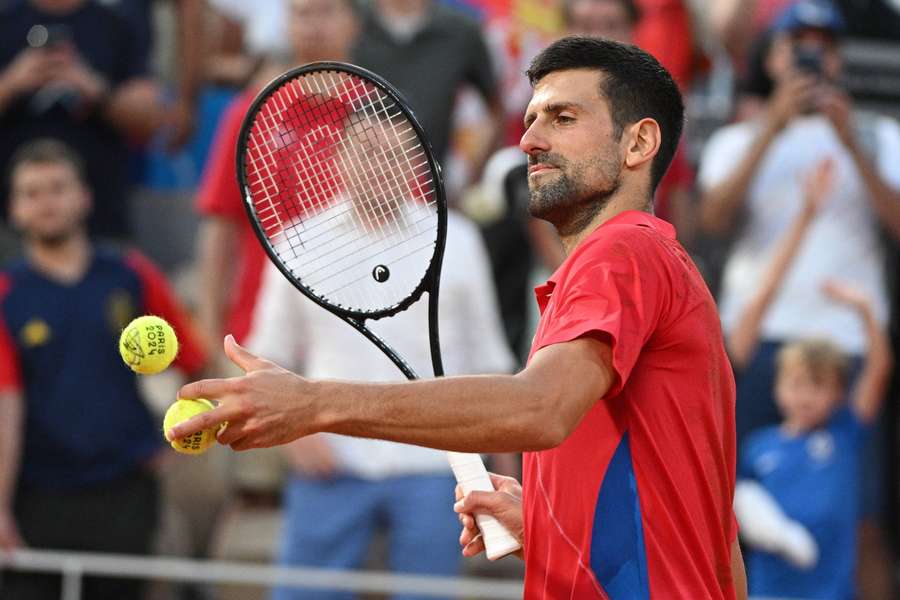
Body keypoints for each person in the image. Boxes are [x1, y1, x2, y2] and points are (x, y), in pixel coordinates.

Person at [170, 36, 745, 599]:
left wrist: (314, 405)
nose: (529, 140)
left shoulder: (622, 253)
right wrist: (548, 529)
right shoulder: (650, 261)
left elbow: (539, 408)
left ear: (639, 142)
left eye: (563, 118)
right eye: (529, 120)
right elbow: (716, 540)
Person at [249, 108, 515, 600]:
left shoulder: (457, 239)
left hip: (438, 470)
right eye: (368, 151)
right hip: (330, 461)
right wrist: (294, 441)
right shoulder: (296, 242)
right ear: (339, 158)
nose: (380, 165)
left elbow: (491, 362)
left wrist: (502, 475)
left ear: (417, 163)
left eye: (395, 154)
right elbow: (267, 356)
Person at [0, 138, 206, 599]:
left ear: (84, 197)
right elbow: (5, 404)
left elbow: (195, 361)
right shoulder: (7, 293)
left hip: (125, 488)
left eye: (57, 187)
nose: (46, 202)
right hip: (37, 494)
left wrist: (177, 443)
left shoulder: (130, 275)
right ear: (14, 209)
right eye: (31, 193)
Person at [726, 157, 893, 599]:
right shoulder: (757, 447)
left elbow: (878, 368)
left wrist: (863, 309)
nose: (803, 395)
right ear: (777, 388)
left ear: (837, 394)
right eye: (796, 383)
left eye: (817, 386)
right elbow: (752, 311)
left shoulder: (845, 435)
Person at [0, 0, 165, 239]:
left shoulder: (115, 22)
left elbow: (150, 119)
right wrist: (14, 81)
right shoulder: (5, 19)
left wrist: (92, 87)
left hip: (100, 223)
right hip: (9, 231)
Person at [352, 0, 501, 168]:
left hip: (436, 182)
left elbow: (495, 110)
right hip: (349, 182)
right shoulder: (350, 19)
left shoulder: (463, 31)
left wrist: (470, 178)